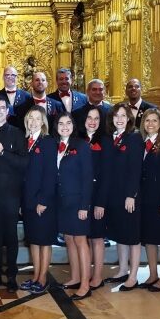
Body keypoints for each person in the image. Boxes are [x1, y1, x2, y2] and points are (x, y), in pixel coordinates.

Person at [0, 95, 28, 292]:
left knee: (10, 238)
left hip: (11, 195)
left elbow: (24, 163)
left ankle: (11, 277)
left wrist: (3, 153)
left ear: (7, 111)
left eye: (2, 107)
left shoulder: (17, 134)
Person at [54, 114, 95, 301]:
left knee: (80, 240)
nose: (64, 126)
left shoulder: (82, 145)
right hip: (62, 203)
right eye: (61, 123)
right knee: (69, 239)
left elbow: (88, 177)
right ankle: (75, 277)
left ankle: (86, 284)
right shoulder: (54, 145)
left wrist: (84, 205)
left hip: (78, 202)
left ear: (74, 125)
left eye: (68, 123)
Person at [104, 103, 144, 291]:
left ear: (129, 118)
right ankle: (122, 269)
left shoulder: (134, 138)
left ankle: (134, 276)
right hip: (114, 195)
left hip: (128, 196)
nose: (119, 119)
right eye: (116, 116)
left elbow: (135, 169)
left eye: (123, 115)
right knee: (121, 234)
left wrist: (131, 195)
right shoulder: (110, 138)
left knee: (132, 236)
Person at [136, 108, 160, 293]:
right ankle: (152, 274)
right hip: (145, 200)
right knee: (150, 240)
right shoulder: (141, 143)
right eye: (147, 121)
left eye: (154, 121)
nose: (150, 124)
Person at [20, 106, 58, 294]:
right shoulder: (26, 141)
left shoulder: (48, 142)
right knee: (33, 240)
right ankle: (35, 275)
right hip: (27, 201)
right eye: (30, 118)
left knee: (44, 241)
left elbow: (50, 174)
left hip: (43, 201)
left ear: (43, 122)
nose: (33, 122)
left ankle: (43, 278)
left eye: (37, 118)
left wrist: (43, 200)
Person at [79, 107, 112, 291]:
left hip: (98, 195)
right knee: (85, 236)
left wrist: (101, 202)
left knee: (97, 238)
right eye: (89, 118)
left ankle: (98, 275)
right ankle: (86, 273)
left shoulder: (105, 141)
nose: (92, 121)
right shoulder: (78, 140)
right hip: (82, 196)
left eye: (96, 118)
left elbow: (107, 175)